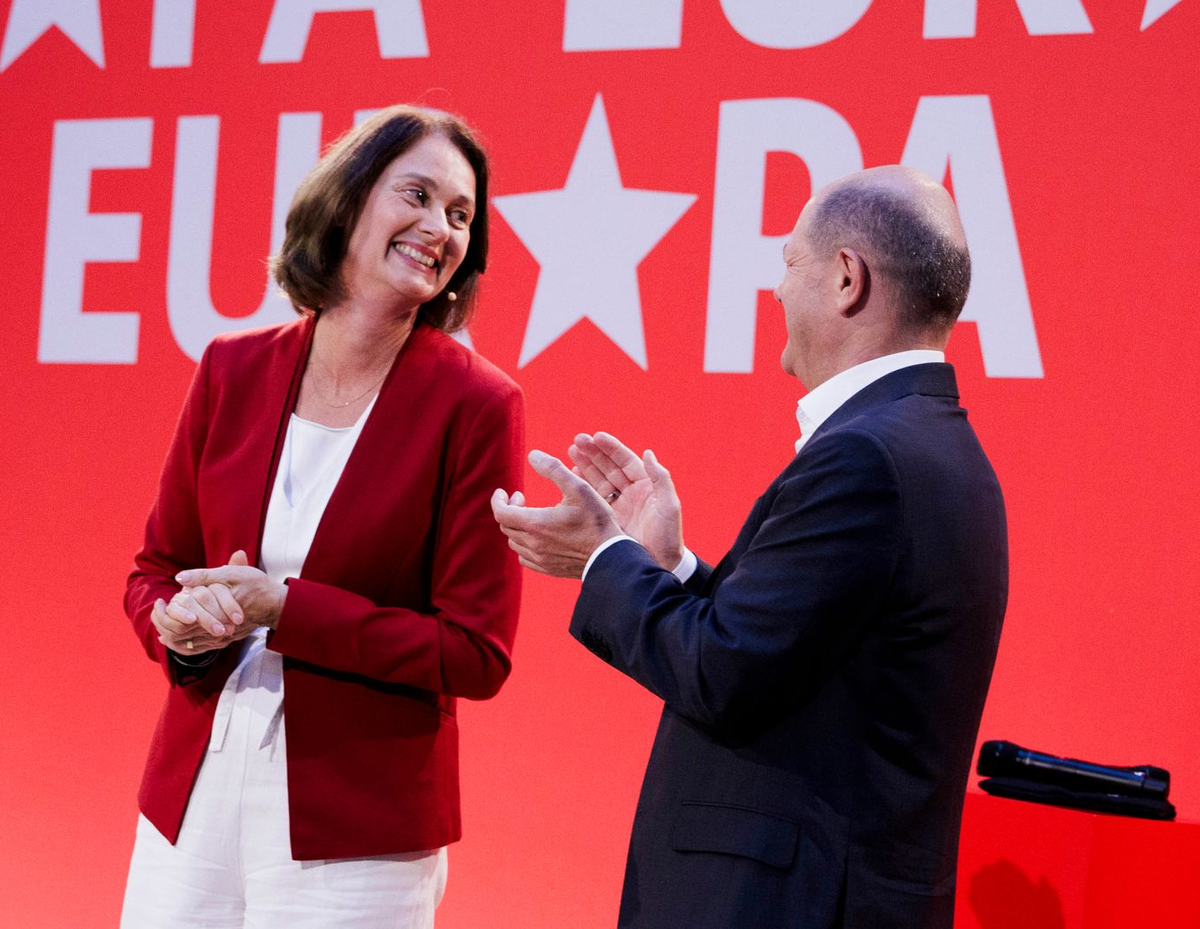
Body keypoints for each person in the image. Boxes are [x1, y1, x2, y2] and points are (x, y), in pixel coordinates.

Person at [493, 166, 1008, 928]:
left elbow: (725, 671)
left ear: (845, 278)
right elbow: (790, 653)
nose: (775, 291)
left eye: (788, 262)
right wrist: (669, 566)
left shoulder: (866, 457)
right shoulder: (934, 445)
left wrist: (605, 560)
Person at [122, 105, 523, 928]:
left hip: (359, 826)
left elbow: (477, 652)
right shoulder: (231, 368)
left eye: (460, 215)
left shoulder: (478, 404)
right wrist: (177, 622)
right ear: (347, 200)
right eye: (415, 194)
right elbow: (154, 569)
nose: (438, 227)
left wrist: (286, 609)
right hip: (192, 792)